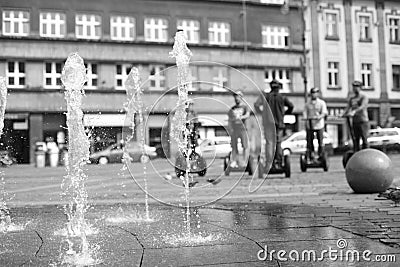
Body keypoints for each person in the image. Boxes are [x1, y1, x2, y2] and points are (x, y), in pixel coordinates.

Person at [254, 79, 294, 169]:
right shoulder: (282, 97)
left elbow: (256, 105)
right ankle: (278, 162)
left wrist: (262, 113)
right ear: (279, 87)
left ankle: (269, 163)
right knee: (278, 143)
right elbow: (291, 106)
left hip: (268, 123)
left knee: (269, 143)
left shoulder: (266, 96)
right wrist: (284, 113)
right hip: (279, 123)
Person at [343, 80, 369, 151]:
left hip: (363, 121)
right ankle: (356, 154)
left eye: (357, 87)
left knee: (364, 139)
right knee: (355, 139)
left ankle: (366, 154)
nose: (355, 89)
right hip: (355, 121)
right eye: (354, 87)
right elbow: (348, 107)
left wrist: (354, 111)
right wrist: (343, 114)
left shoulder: (363, 97)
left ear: (360, 88)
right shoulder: (352, 99)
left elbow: (362, 106)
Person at [303, 87, 328, 159]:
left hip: (319, 124)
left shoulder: (321, 103)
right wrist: (305, 117)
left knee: (320, 141)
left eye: (315, 93)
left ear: (317, 94)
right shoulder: (307, 104)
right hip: (310, 125)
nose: (313, 94)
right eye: (312, 93)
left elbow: (324, 112)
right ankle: (311, 155)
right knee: (309, 141)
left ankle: (321, 155)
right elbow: (305, 112)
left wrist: (320, 116)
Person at [227, 91, 249, 168]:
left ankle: (244, 161)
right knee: (234, 146)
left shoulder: (245, 107)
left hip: (243, 128)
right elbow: (229, 118)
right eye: (235, 97)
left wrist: (242, 117)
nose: (236, 99)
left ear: (241, 98)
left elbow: (247, 114)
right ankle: (234, 161)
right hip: (234, 128)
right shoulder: (232, 109)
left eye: (238, 97)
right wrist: (229, 128)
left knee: (245, 145)